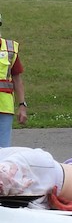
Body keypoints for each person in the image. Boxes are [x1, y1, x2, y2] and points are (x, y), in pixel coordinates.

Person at [0, 13, 29, 147]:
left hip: (4, 108)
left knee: (3, 151)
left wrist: (22, 105)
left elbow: (17, 79)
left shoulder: (10, 49)